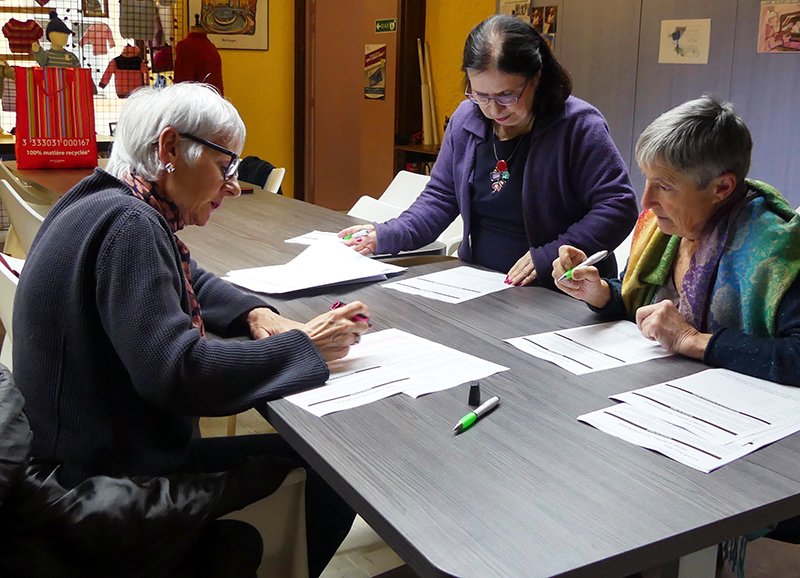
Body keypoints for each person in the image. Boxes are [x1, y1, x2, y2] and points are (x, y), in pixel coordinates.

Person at [12, 83, 368, 577]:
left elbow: (188, 275)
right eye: (226, 168)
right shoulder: (131, 226)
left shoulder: (105, 200)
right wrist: (302, 347)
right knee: (333, 473)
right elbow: (179, 373)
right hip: (106, 489)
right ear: (169, 148)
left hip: (69, 465)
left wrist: (253, 314)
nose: (233, 186)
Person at [339, 14, 638, 288]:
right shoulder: (466, 119)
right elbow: (442, 197)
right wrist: (388, 235)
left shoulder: (578, 125)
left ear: (537, 78)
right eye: (480, 95)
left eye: (507, 95)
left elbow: (618, 206)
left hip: (558, 288)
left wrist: (548, 257)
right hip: (478, 280)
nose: (493, 109)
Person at [552, 94, 800, 387]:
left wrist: (691, 340)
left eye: (664, 186)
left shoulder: (775, 251)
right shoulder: (664, 228)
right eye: (647, 179)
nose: (646, 200)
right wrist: (601, 293)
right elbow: (641, 299)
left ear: (722, 187)